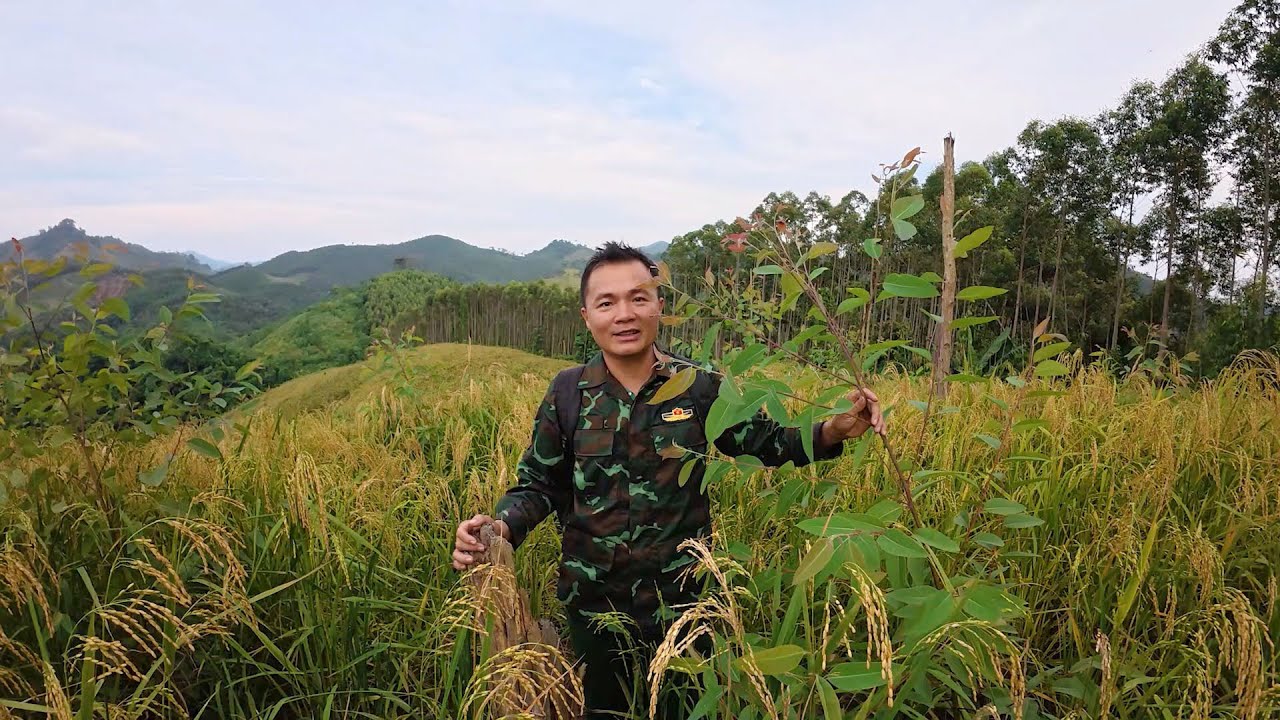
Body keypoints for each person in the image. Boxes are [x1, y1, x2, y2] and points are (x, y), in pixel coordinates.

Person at [452, 242, 885, 718]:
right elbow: (539, 484)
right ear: (586, 315)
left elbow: (767, 442)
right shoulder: (568, 392)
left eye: (639, 298)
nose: (625, 314)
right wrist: (497, 528)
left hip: (685, 604)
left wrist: (833, 429)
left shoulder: (699, 385)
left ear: (660, 304)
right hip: (594, 604)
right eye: (607, 302)